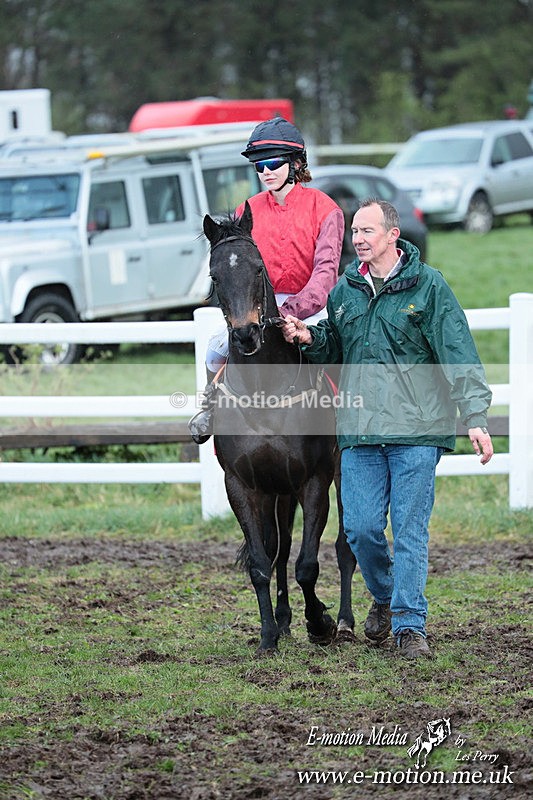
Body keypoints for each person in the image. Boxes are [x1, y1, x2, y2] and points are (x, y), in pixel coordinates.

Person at [282, 198, 494, 659]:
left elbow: (458, 352)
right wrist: (310, 337)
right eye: (354, 231)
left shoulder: (429, 286)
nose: (357, 239)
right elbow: (335, 347)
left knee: (410, 531)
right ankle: (386, 594)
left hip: (417, 431)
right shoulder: (346, 290)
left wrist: (475, 418)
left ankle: (409, 627)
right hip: (359, 431)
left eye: (367, 231)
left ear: (393, 235)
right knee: (359, 530)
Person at [188, 116, 344, 443]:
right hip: (258, 308)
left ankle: (348, 419)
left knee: (337, 350)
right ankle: (210, 408)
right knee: (215, 347)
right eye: (259, 166)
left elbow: (325, 274)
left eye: (273, 163)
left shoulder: (326, 209)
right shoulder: (246, 210)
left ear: (296, 164)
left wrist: (291, 311)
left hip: (313, 308)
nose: (266, 172)